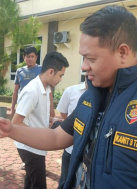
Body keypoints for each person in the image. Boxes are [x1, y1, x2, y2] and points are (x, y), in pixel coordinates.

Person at [0, 5, 137, 189]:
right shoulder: (92, 96)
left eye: (91, 58)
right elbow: (57, 137)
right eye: (83, 57)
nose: (84, 67)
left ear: (123, 52)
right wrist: (11, 129)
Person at [12, 51, 69, 188]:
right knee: (39, 185)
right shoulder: (32, 91)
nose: (60, 80)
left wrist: (51, 122)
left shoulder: (46, 88)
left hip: (36, 144)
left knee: (30, 181)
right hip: (29, 146)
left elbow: (36, 116)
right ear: (50, 72)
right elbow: (15, 123)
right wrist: (40, 135)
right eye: (60, 75)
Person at [55, 80, 87, 189]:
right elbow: (63, 112)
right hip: (70, 147)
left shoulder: (105, 94)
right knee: (65, 180)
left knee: (81, 182)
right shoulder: (71, 91)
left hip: (87, 152)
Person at [11, 46, 55, 118]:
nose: (30, 59)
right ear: (24, 57)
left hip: (39, 105)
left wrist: (51, 108)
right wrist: (12, 107)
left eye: (32, 56)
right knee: (21, 125)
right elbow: (16, 90)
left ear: (36, 57)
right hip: (23, 104)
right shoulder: (19, 71)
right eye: (28, 56)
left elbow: (48, 90)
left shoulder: (42, 70)